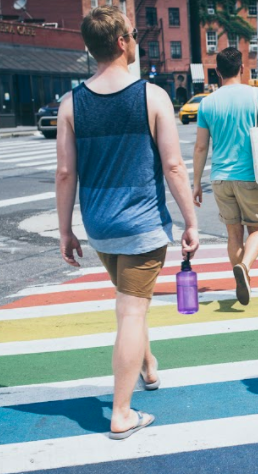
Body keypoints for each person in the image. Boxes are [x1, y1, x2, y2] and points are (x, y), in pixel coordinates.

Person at [56, 6, 199, 439]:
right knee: (132, 310)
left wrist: (66, 230)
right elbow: (173, 166)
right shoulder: (152, 96)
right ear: (121, 43)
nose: (135, 40)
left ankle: (149, 367)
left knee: (130, 300)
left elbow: (65, 173)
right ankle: (121, 413)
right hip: (142, 225)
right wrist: (191, 221)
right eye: (132, 35)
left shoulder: (70, 103)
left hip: (100, 226)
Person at [192, 47, 258, 306]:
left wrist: (196, 183)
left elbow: (200, 147)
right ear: (242, 68)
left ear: (218, 72)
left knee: (234, 234)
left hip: (220, 179)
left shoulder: (206, 103)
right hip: (250, 176)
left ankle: (244, 280)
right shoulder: (256, 95)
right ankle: (244, 267)